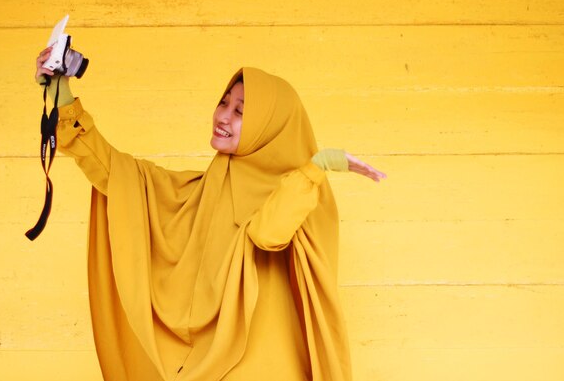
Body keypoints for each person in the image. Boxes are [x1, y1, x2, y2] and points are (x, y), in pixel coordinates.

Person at [35, 47, 387, 381]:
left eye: (240, 111)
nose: (223, 116)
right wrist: (60, 89)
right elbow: (114, 171)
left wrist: (319, 165)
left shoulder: (302, 190)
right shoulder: (198, 193)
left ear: (268, 126)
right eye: (223, 103)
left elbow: (267, 234)